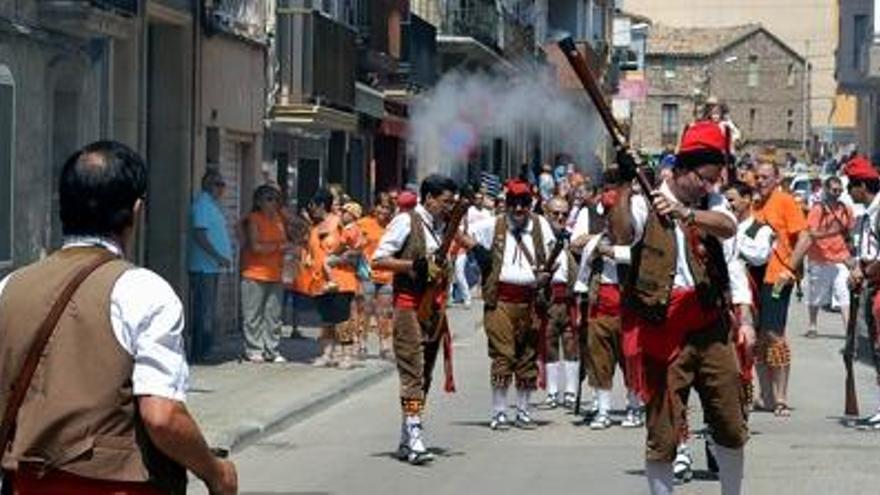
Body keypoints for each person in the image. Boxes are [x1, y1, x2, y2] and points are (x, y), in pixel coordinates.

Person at [0, 141, 236, 494]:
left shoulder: (9, 287)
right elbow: (163, 416)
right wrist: (216, 472)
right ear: (135, 210)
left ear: (62, 204)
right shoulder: (143, 291)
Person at [613, 122, 747, 495]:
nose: (710, 187)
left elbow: (727, 226)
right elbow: (622, 232)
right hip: (662, 327)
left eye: (715, 180)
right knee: (663, 433)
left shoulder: (708, 202)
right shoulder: (643, 200)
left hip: (709, 325)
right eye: (704, 179)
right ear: (684, 170)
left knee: (730, 423)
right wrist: (624, 185)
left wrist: (684, 213)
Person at [372, 174, 458, 465]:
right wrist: (413, 266)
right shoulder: (405, 221)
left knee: (426, 377)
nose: (448, 207)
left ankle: (406, 437)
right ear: (429, 198)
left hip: (433, 309)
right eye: (445, 202)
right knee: (413, 374)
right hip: (409, 307)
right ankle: (416, 435)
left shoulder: (441, 227)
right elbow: (379, 259)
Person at [462, 179, 555, 430]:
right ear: (506, 204)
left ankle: (523, 411)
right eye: (513, 204)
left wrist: (548, 276)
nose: (518, 210)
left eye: (523, 204)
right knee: (503, 356)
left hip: (531, 301)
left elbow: (554, 255)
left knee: (527, 357)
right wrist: (477, 250)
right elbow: (460, 232)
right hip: (501, 300)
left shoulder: (541, 225)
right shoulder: (492, 225)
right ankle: (499, 412)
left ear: (530, 204)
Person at [752, 162, 811, 417]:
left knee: (775, 334)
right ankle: (765, 395)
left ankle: (781, 397)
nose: (760, 181)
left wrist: (791, 268)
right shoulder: (755, 205)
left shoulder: (785, 201)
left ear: (777, 179)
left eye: (765, 177)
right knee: (758, 337)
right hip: (755, 277)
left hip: (777, 277)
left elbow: (806, 237)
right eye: (757, 177)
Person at [844, 156, 880, 429]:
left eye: (851, 186)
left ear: (861, 186)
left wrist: (865, 272)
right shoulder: (867, 213)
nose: (847, 192)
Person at [187, 169, 233, 362]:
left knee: (208, 309)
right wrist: (218, 256)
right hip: (203, 267)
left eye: (223, 185)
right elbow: (200, 235)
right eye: (219, 185)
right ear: (209, 186)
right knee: (203, 310)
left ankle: (206, 348)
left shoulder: (211, 205)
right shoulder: (202, 205)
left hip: (211, 267)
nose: (222, 189)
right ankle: (200, 351)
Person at [241, 185, 289, 363]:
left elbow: (288, 237)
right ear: (259, 202)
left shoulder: (278, 219)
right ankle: (254, 349)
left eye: (276, 199)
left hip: (276, 273)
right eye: (269, 199)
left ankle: (272, 349)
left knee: (273, 315)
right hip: (255, 273)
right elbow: (255, 246)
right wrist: (278, 247)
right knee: (253, 314)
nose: (273, 203)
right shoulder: (254, 219)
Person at [539, 196, 579, 410]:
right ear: (547, 213)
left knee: (572, 345)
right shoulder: (541, 238)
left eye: (564, 214)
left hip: (570, 298)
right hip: (549, 298)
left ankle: (571, 391)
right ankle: (553, 391)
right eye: (555, 213)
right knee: (550, 344)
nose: (560, 218)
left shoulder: (572, 239)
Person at [805, 176, 855, 337]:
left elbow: (849, 230)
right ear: (826, 190)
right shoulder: (818, 209)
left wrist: (851, 250)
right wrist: (832, 231)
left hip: (841, 257)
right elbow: (811, 233)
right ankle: (813, 325)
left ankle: (848, 330)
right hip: (820, 258)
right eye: (834, 190)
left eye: (840, 190)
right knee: (816, 294)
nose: (837, 193)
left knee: (844, 292)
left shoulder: (846, 209)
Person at [357, 197, 395, 359]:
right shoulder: (364, 223)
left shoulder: (393, 227)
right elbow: (352, 241)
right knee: (364, 311)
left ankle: (385, 346)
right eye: (381, 207)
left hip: (387, 275)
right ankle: (361, 344)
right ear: (375, 207)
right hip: (367, 275)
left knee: (385, 313)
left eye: (387, 208)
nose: (383, 211)